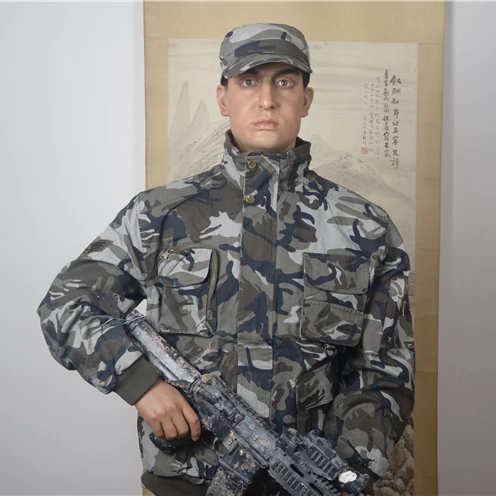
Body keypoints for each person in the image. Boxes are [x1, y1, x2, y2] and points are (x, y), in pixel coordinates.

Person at [38, 23, 414, 496]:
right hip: (187, 482)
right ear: (223, 98)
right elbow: (67, 304)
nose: (266, 100)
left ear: (306, 99)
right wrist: (141, 383)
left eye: (284, 82)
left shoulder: (366, 228)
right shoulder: (160, 214)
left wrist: (340, 471)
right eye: (248, 81)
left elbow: (386, 371)